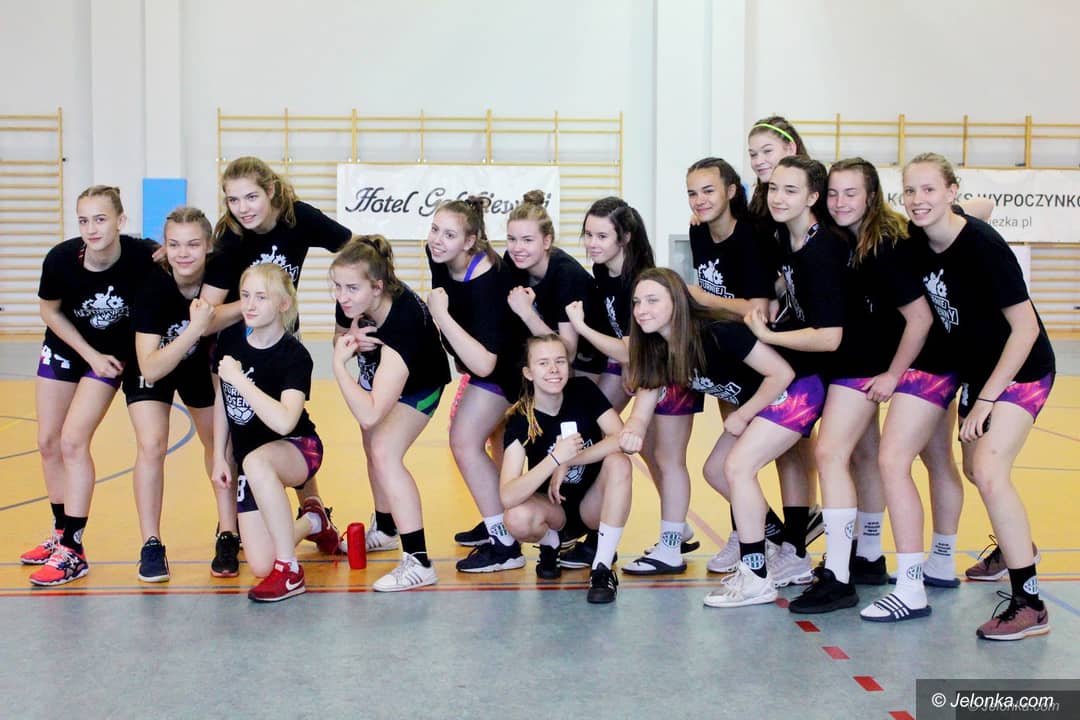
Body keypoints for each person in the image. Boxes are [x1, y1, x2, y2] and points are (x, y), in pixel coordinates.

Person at [863, 154, 1054, 641]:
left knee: (988, 470)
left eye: (929, 189)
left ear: (951, 191)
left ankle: (1030, 603)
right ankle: (1017, 546)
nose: (918, 200)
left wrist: (986, 400)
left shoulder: (984, 248)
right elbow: (979, 204)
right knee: (973, 470)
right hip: (975, 373)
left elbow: (1026, 329)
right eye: (910, 190)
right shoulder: (918, 238)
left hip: (1021, 371)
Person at [786, 159, 937, 613]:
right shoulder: (843, 238)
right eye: (833, 193)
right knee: (863, 455)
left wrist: (892, 373)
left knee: (830, 453)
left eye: (850, 193)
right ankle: (868, 556)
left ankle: (838, 576)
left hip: (871, 364)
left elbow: (920, 317)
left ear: (872, 196)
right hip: (857, 359)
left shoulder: (884, 245)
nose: (839, 202)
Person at [619, 268, 811, 607]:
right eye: (637, 302)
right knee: (716, 470)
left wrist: (744, 414)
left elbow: (782, 373)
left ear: (677, 303)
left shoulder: (718, 333)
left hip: (796, 390)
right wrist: (633, 428)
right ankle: (784, 543)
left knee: (737, 467)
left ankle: (756, 577)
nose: (641, 310)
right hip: (763, 401)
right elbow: (643, 404)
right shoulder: (658, 347)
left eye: (652, 300)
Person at [201, 155, 349, 549]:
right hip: (236, 345)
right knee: (239, 427)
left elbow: (354, 252)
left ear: (270, 191)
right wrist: (258, 301)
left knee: (288, 423)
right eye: (233, 200)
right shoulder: (231, 237)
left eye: (251, 197)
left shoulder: (299, 218)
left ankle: (313, 510)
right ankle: (229, 529)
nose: (243, 208)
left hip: (281, 337)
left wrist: (343, 314)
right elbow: (207, 318)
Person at [23, 186, 157, 586]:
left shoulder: (143, 256)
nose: (91, 228)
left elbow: (185, 258)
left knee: (72, 442)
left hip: (110, 358)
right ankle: (59, 533)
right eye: (84, 220)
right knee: (48, 442)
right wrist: (88, 352)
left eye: (100, 219)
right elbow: (49, 310)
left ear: (121, 221)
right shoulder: (61, 259)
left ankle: (74, 550)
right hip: (68, 347)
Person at [562, 197, 700, 572]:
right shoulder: (603, 271)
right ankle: (675, 527)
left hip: (669, 370)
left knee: (668, 458)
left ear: (624, 238)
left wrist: (581, 328)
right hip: (641, 368)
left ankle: (671, 545)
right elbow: (625, 348)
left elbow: (630, 347)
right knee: (642, 449)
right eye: (588, 234)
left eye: (601, 236)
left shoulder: (639, 278)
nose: (591, 243)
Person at [743, 155, 848, 587]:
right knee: (790, 459)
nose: (779, 198)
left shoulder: (824, 249)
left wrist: (768, 336)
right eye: (774, 188)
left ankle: (834, 561)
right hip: (803, 366)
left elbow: (830, 337)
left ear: (812, 197)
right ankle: (795, 549)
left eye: (791, 190)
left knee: (742, 464)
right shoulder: (787, 238)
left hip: (829, 374)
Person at [331, 235, 451, 591]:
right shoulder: (353, 300)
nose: (342, 296)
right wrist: (350, 338)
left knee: (385, 451)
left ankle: (419, 561)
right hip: (383, 377)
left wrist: (338, 364)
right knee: (372, 446)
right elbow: (340, 335)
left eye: (351, 288)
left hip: (421, 386)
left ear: (377, 286)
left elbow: (369, 413)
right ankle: (385, 529)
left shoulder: (402, 325)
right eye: (337, 286)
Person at [126, 208, 231, 581]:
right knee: (152, 445)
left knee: (218, 442)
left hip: (198, 365)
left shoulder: (221, 272)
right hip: (154, 362)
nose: (183, 253)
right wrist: (195, 328)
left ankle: (228, 532)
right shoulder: (152, 286)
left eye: (192, 244)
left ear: (208, 246)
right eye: (174, 245)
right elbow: (150, 367)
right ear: (164, 247)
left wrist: (213, 319)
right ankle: (151, 543)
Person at [211, 263, 325, 602]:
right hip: (251, 462)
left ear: (283, 304)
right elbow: (223, 400)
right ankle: (314, 521)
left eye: (261, 297)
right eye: (245, 295)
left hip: (299, 449)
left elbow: (285, 422)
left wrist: (239, 379)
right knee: (261, 563)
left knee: (256, 461)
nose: (250, 304)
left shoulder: (295, 355)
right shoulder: (231, 340)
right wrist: (219, 455)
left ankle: (290, 571)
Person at [424, 197, 525, 572]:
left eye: (449, 235)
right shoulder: (437, 255)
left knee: (464, 440)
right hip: (482, 365)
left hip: (508, 369)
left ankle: (505, 544)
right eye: (435, 229)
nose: (437, 240)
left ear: (470, 241)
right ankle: (498, 519)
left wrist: (441, 316)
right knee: (488, 440)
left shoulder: (489, 280)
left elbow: (485, 363)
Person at [500, 334, 631, 603]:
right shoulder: (521, 419)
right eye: (543, 363)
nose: (553, 369)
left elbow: (622, 438)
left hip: (591, 506)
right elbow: (508, 495)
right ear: (528, 373)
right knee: (516, 517)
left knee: (620, 462)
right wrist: (555, 459)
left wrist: (572, 459)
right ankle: (551, 544)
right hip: (553, 509)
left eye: (559, 361)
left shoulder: (583, 390)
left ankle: (601, 569)